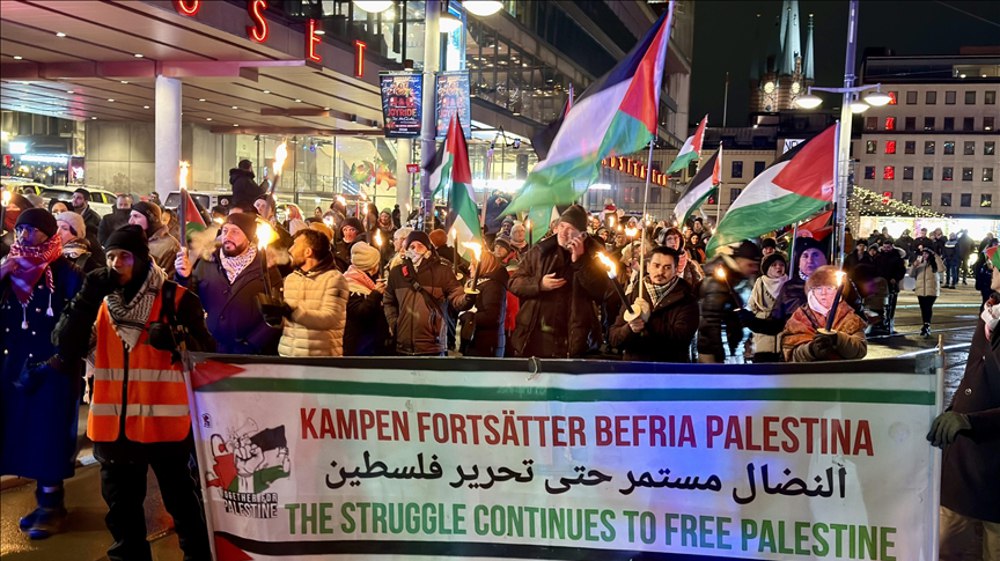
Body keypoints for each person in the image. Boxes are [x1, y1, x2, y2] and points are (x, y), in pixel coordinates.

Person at [52, 224, 214, 561]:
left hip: (165, 428)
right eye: (110, 256)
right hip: (114, 430)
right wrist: (84, 299)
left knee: (184, 506)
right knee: (122, 515)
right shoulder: (100, 301)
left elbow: (207, 356)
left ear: (141, 259)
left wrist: (179, 339)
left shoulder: (176, 299)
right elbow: (65, 345)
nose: (116, 263)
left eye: (124, 256)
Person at [0, 208, 84, 540]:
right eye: (20, 229)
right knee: (22, 433)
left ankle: (52, 505)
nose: (24, 236)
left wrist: (61, 360)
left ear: (48, 235)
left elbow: (81, 320)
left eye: (32, 230)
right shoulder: (9, 266)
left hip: (52, 368)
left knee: (48, 436)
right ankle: (42, 503)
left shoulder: (65, 272)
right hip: (14, 364)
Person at [928, 257, 1000, 560]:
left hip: (995, 469)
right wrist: (952, 410)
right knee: (941, 546)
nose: (992, 270)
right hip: (963, 462)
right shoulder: (990, 313)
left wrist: (970, 421)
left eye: (997, 265)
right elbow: (972, 375)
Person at [508, 205, 611, 358]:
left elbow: (601, 291)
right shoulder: (540, 252)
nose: (563, 232)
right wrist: (539, 284)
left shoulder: (595, 256)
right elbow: (514, 282)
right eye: (562, 226)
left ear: (582, 234)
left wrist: (580, 262)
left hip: (573, 340)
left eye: (570, 229)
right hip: (535, 337)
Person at [175, 213, 283, 354]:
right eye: (225, 230)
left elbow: (276, 315)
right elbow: (190, 300)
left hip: (249, 354)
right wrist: (183, 277)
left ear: (249, 237)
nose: (228, 236)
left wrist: (251, 344)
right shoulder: (208, 262)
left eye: (235, 232)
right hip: (210, 349)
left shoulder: (266, 268)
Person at [384, 230, 474, 356]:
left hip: (433, 346)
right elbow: (389, 301)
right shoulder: (397, 273)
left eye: (420, 246)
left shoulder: (442, 271)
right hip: (403, 346)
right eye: (412, 246)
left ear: (428, 249)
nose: (416, 250)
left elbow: (457, 298)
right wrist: (395, 324)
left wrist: (468, 297)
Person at [609, 246, 699, 362]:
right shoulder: (635, 294)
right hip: (636, 366)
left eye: (667, 267)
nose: (660, 272)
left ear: (676, 270)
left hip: (669, 367)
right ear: (648, 267)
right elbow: (614, 339)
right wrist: (629, 329)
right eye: (656, 266)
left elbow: (682, 339)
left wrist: (650, 320)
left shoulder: (686, 298)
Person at [268, 229, 348, 357]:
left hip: (319, 359)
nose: (290, 250)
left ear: (308, 252)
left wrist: (293, 312)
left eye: (295, 245)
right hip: (288, 356)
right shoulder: (291, 279)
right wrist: (276, 318)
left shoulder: (334, 279)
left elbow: (330, 318)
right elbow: (288, 323)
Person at [781, 265, 868, 362]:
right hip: (809, 371)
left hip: (840, 370)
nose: (823, 293)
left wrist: (838, 339)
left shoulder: (849, 317)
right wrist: (811, 350)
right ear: (812, 291)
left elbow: (860, 350)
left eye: (829, 288)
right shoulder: (799, 317)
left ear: (838, 291)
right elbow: (791, 353)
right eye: (818, 288)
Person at [698, 240, 761, 363]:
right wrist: (720, 356)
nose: (754, 269)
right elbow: (711, 323)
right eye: (750, 265)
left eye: (756, 265)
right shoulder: (717, 283)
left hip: (733, 350)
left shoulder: (739, 280)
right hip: (714, 352)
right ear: (738, 261)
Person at [342, 242, 390, 356]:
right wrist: (376, 294)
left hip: (370, 343)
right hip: (359, 345)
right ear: (370, 266)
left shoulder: (368, 281)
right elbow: (359, 312)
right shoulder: (350, 283)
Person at [461, 247, 509, 357]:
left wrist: (469, 317)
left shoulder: (493, 286)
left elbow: (493, 316)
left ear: (482, 266)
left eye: (472, 264)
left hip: (487, 345)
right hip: (478, 342)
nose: (469, 267)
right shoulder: (482, 284)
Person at [747, 252, 788, 362]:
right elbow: (752, 305)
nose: (778, 267)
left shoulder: (789, 283)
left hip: (783, 335)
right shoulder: (760, 283)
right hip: (762, 335)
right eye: (774, 265)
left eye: (781, 264)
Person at [129, 201, 180, 276]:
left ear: (151, 219)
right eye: (130, 216)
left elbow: (168, 278)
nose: (130, 221)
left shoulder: (170, 246)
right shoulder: (131, 239)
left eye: (136, 216)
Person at [874, 238, 907, 334]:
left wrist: (895, 278)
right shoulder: (879, 256)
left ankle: (889, 322)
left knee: (890, 305)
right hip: (880, 284)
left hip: (891, 284)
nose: (886, 249)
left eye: (888, 247)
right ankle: (880, 322)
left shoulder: (897, 258)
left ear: (892, 247)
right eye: (884, 247)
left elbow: (901, 270)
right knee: (879, 304)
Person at [911, 246, 944, 337]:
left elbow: (941, 269)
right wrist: (914, 265)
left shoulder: (934, 264)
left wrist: (935, 255)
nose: (924, 255)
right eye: (923, 254)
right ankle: (925, 325)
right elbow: (911, 274)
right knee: (923, 308)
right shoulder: (920, 264)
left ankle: (927, 325)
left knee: (928, 307)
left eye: (926, 254)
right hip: (920, 289)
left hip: (931, 290)